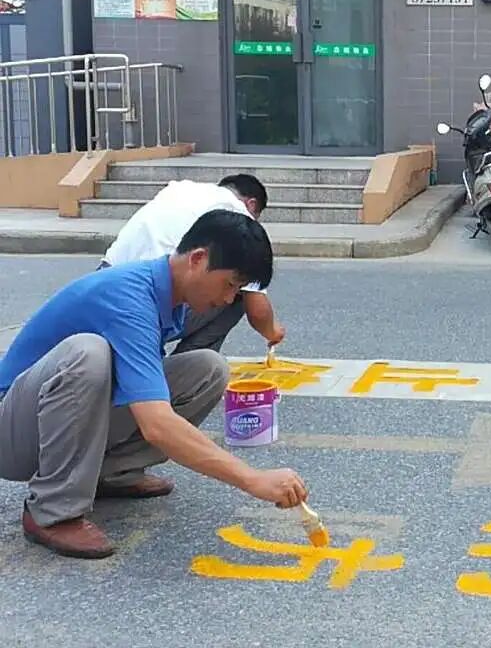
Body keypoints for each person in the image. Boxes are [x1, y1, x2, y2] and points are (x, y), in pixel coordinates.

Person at [0, 210, 307, 560]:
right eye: (230, 284)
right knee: (88, 353)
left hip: (50, 421)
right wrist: (252, 479)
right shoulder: (128, 297)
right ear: (197, 259)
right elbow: (156, 424)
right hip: (13, 432)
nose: (228, 299)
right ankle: (53, 510)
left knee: (208, 369)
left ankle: (110, 474)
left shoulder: (168, 299)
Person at [101, 174, 285, 355]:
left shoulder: (180, 188)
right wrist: (273, 332)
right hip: (143, 303)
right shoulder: (235, 220)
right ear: (251, 204)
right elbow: (257, 311)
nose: (227, 298)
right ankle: (190, 358)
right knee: (240, 297)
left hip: (109, 278)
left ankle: (185, 363)